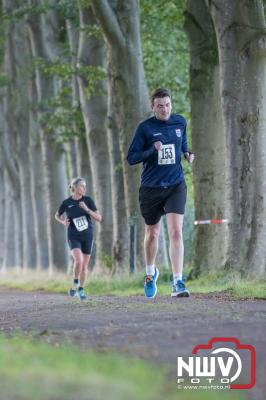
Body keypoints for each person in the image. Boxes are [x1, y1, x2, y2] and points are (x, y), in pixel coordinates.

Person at [127, 87, 194, 299]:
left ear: (171, 105)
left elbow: (182, 143)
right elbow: (131, 158)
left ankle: (177, 281)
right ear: (152, 107)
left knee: (176, 232)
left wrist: (187, 153)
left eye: (167, 105)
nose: (164, 109)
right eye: (159, 106)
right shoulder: (145, 128)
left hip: (175, 184)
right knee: (152, 233)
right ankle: (150, 273)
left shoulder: (180, 122)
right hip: (151, 188)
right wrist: (151, 150)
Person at [55, 177, 102, 300]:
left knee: (85, 266)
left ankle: (80, 289)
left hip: (87, 236)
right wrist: (63, 221)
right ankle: (75, 281)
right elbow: (56, 215)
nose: (84, 188)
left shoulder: (88, 200)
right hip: (73, 235)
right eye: (82, 186)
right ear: (74, 187)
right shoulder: (66, 203)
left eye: (85, 186)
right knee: (79, 261)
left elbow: (99, 218)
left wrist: (87, 210)